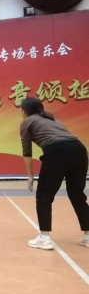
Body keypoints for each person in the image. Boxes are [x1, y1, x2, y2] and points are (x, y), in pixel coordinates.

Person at [20, 97, 89, 250]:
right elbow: (67, 140)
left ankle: (44, 238)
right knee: (77, 194)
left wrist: (30, 176)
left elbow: (27, 151)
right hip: (79, 150)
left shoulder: (27, 121)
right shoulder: (53, 120)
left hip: (57, 151)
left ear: (25, 110)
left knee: (44, 195)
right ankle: (88, 236)